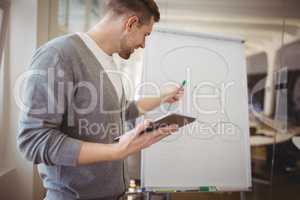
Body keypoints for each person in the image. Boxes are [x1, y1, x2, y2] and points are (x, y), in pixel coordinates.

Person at [17, 0, 183, 199]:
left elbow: (123, 111)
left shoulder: (109, 62)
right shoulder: (58, 55)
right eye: (145, 35)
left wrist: (163, 96)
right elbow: (33, 140)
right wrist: (116, 151)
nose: (143, 44)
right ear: (130, 23)